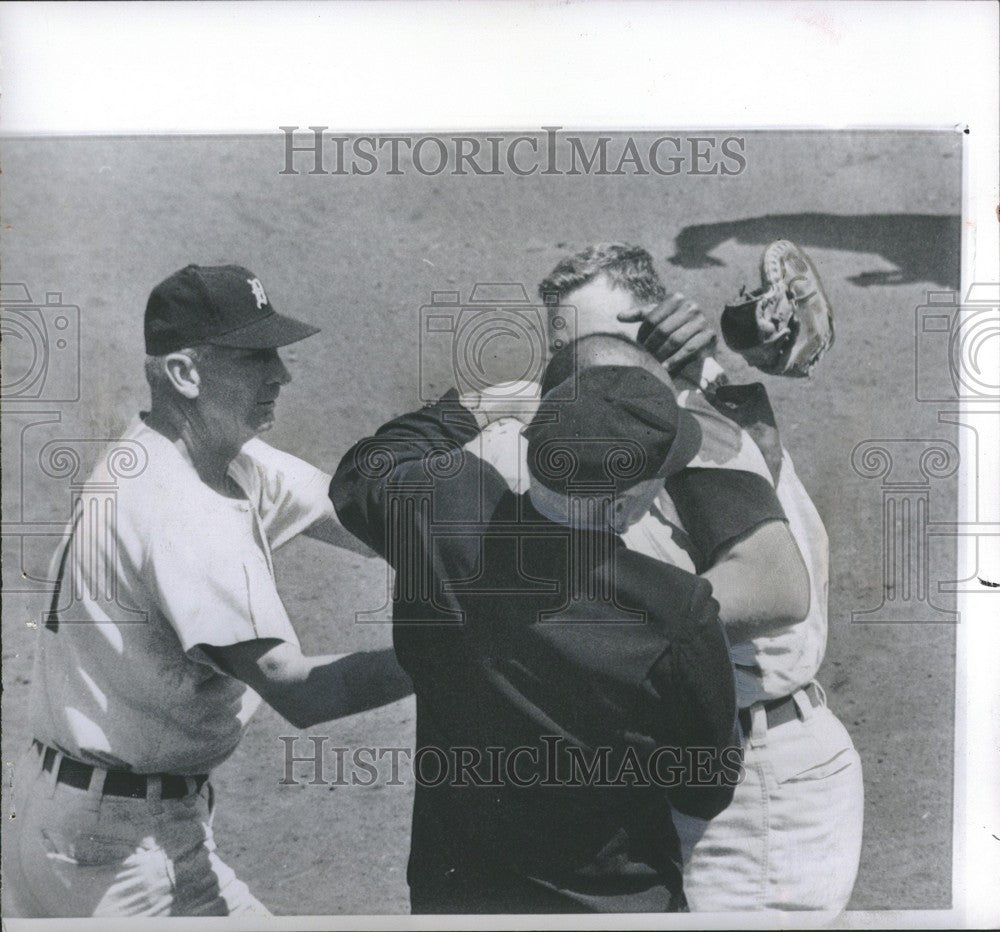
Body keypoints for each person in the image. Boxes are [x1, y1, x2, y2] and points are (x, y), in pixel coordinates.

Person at [330, 334, 805, 913]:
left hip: (453, 895)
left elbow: (361, 470)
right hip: (608, 903)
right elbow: (705, 790)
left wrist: (486, 403)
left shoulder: (443, 505)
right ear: (621, 506)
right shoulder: (673, 609)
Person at [4, 264, 411, 918]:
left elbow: (363, 517)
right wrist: (459, 652)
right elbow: (300, 688)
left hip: (71, 822)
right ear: (184, 374)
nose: (282, 373)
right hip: (118, 858)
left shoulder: (189, 455)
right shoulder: (180, 510)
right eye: (255, 357)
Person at [476, 242, 864, 911]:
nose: (579, 374)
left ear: (658, 327)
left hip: (756, 786)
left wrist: (582, 623)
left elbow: (775, 592)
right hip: (690, 769)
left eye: (600, 341)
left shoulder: (698, 430)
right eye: (562, 352)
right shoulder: (637, 418)